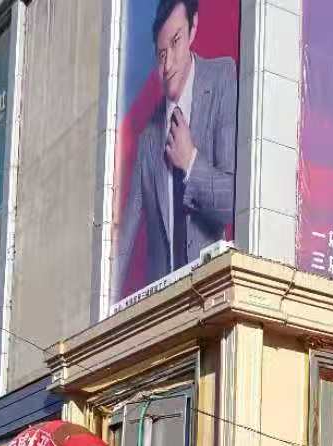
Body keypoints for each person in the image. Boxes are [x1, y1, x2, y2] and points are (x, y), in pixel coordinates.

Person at [111, 0, 237, 297]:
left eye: (176, 42)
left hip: (211, 292)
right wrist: (105, 304)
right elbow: (125, 237)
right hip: (163, 306)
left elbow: (232, 202)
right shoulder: (148, 137)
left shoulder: (222, 78)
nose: (167, 65)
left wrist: (190, 161)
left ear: (193, 29)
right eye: (161, 54)